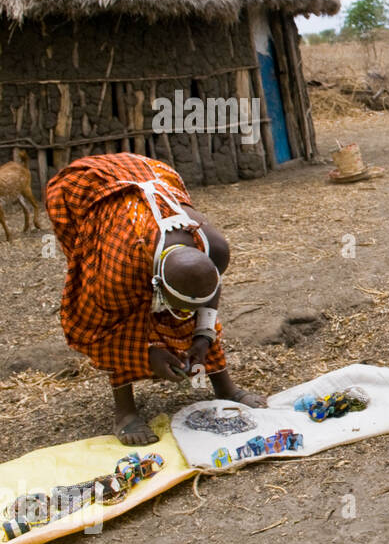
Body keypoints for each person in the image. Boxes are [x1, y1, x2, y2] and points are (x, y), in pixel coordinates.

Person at [45, 153, 265, 445]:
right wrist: (147, 353)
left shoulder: (215, 249)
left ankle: (225, 387)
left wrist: (202, 336)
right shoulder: (116, 270)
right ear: (155, 285)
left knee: (193, 311)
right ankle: (124, 412)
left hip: (153, 178)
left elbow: (208, 292)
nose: (182, 318)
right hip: (88, 193)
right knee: (126, 326)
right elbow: (102, 328)